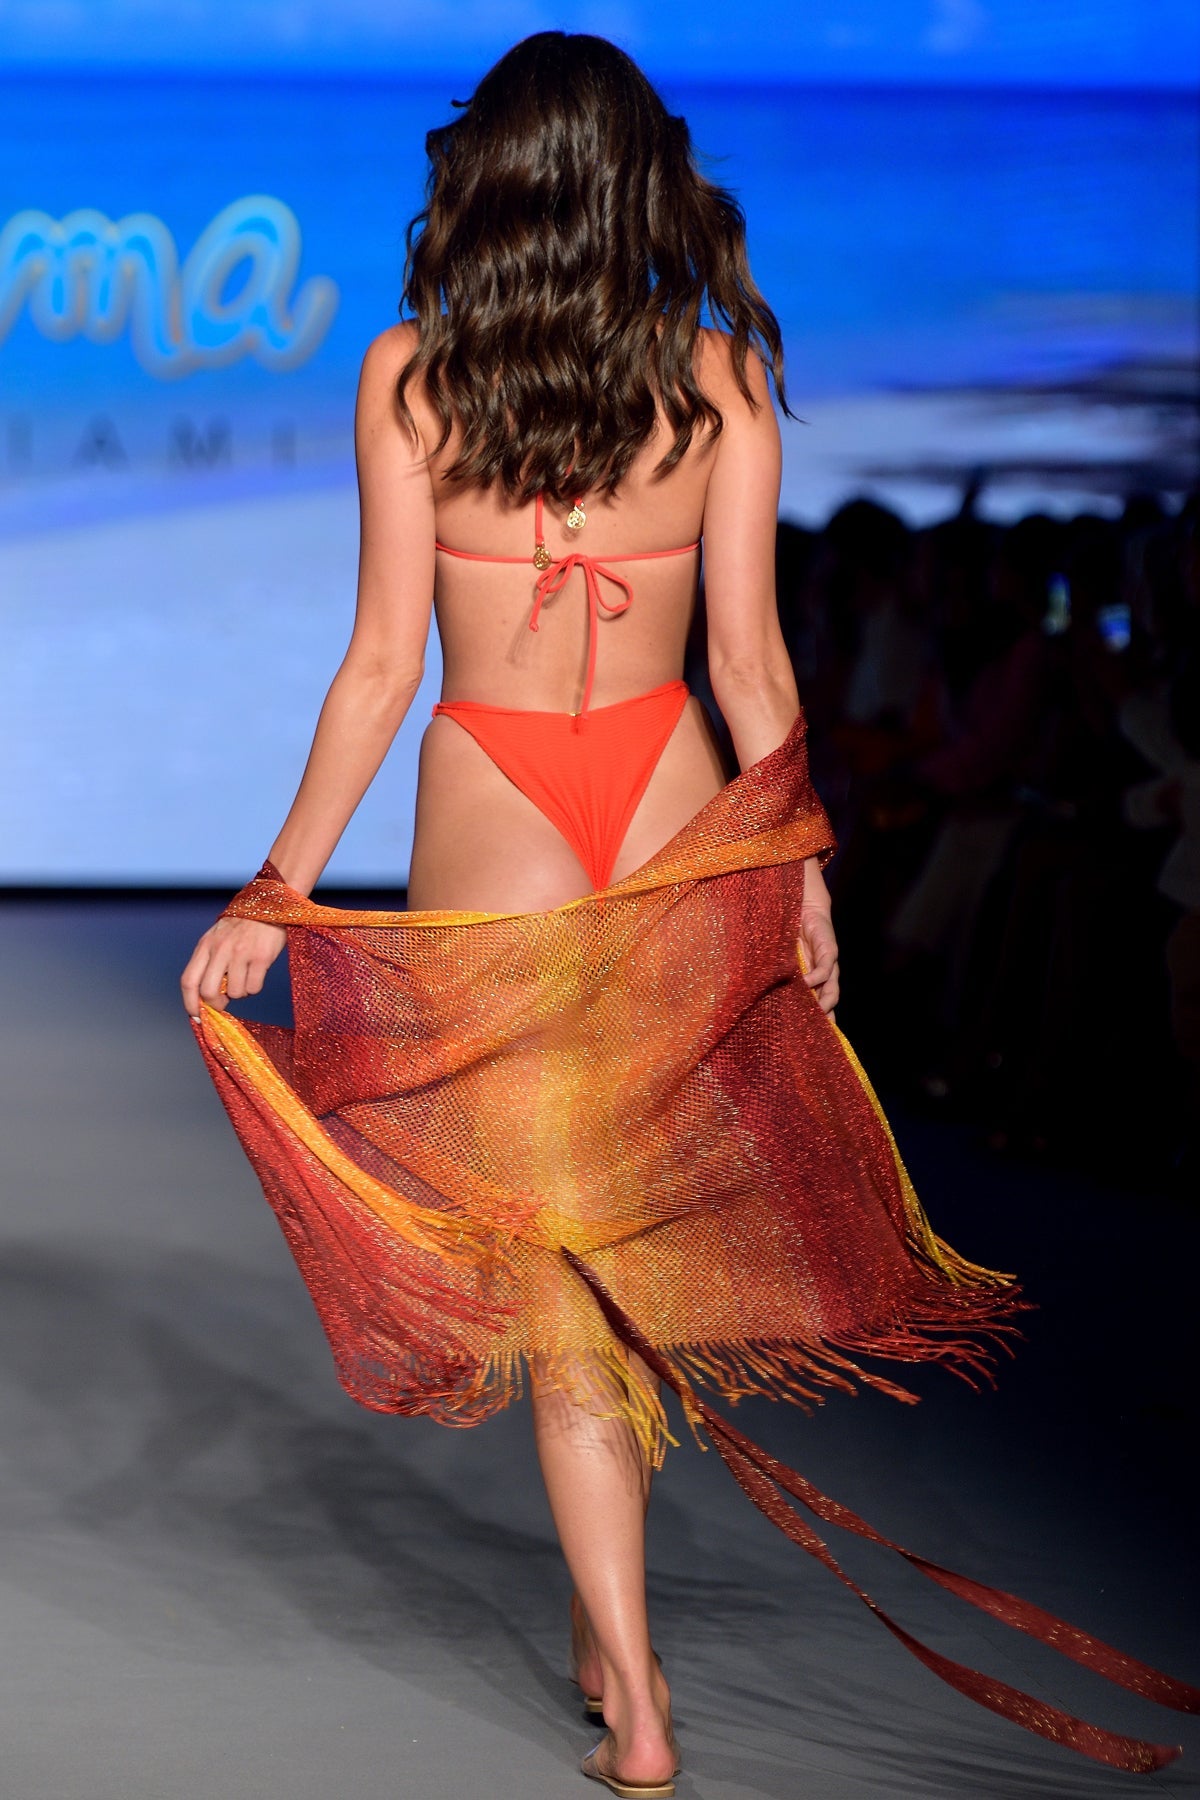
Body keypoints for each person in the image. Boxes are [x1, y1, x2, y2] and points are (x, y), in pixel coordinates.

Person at [180, 35, 1194, 1794]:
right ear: (644, 185)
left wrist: (285, 879)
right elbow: (749, 662)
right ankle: (609, 1628)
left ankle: (636, 1699)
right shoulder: (717, 376)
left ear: (490, 185)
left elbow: (382, 666)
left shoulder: (411, 378)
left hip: (498, 794)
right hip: (670, 791)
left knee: (559, 1255)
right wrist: (796, 864)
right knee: (622, 1235)